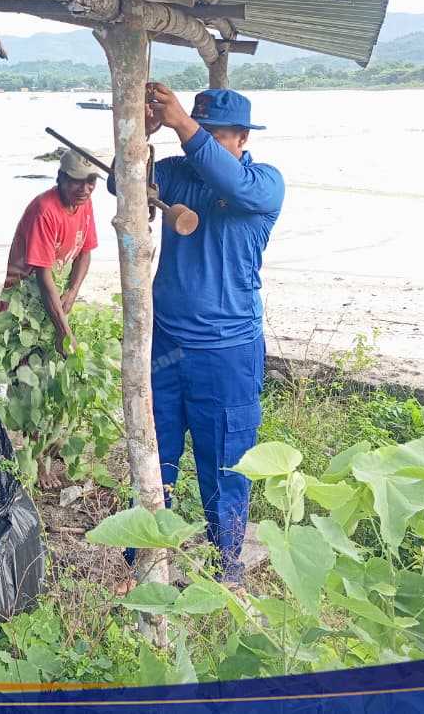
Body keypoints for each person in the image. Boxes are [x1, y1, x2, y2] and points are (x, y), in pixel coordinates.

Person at [130, 83, 285, 590]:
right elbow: (121, 186)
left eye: (217, 137)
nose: (204, 145)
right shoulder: (177, 174)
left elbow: (232, 184)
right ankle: (147, 558)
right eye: (199, 134)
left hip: (228, 351)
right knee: (158, 454)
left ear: (242, 138)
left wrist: (182, 124)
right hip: (168, 343)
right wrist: (141, 138)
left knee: (226, 462)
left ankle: (228, 567)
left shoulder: (263, 184)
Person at [0, 149, 101, 356]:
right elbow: (43, 274)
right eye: (77, 181)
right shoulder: (44, 210)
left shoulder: (84, 202)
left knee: (54, 370)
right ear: (61, 178)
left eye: (91, 181)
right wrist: (63, 331)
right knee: (25, 373)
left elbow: (85, 251)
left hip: (53, 296)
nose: (85, 189)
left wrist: (72, 291)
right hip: (24, 300)